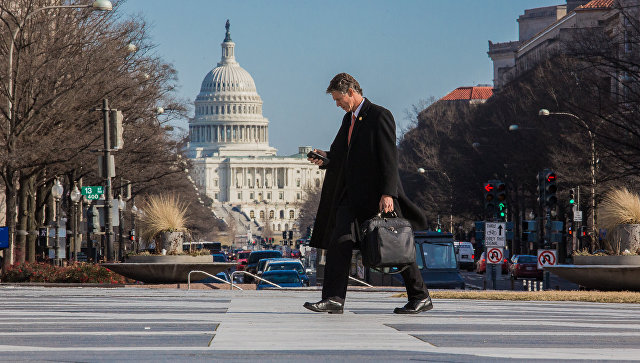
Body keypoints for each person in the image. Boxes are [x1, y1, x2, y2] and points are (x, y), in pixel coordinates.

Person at [303, 73, 432, 314]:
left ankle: (420, 295)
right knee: (338, 242)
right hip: (350, 197)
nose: (337, 104)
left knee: (392, 244)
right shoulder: (348, 120)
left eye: (338, 98)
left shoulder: (379, 116)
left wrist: (388, 194)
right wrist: (325, 159)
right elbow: (341, 155)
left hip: (375, 197)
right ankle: (333, 298)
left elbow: (389, 159)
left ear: (351, 92)